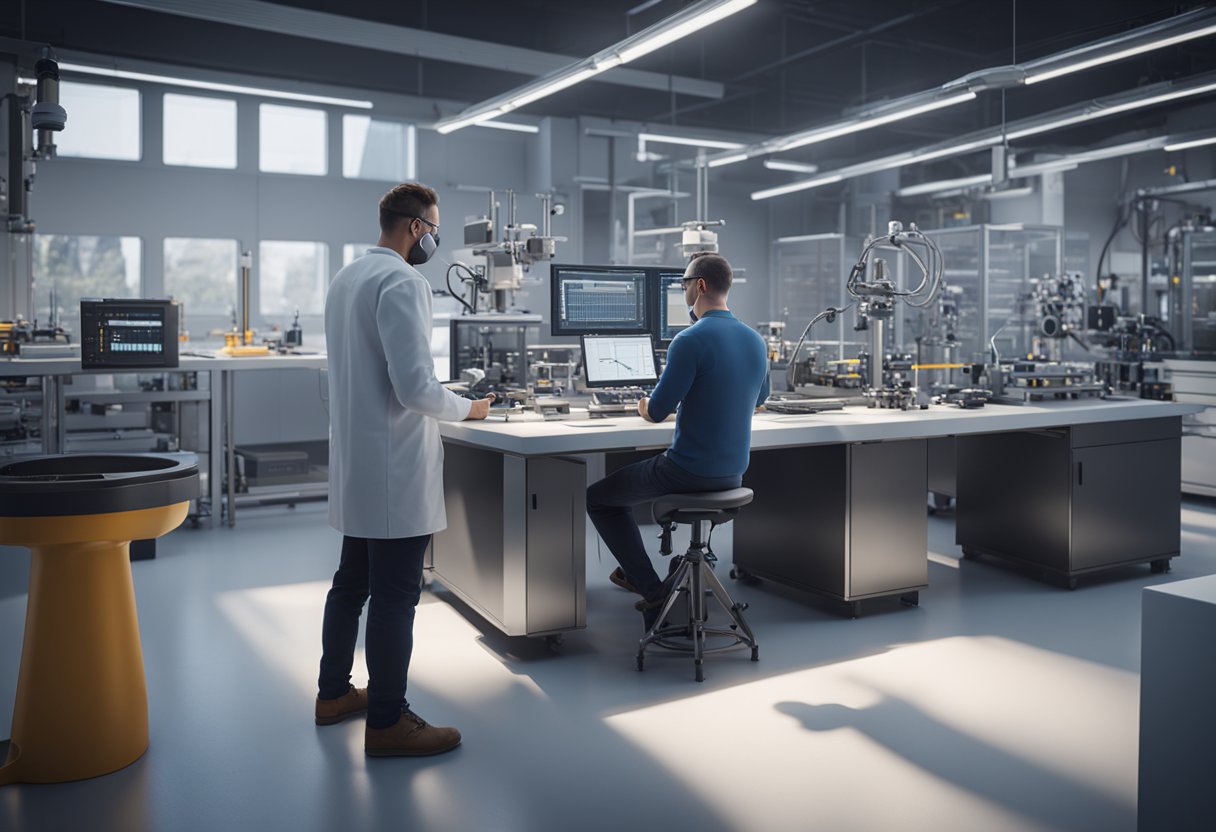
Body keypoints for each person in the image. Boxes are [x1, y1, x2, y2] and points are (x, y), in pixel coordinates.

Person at [315, 182, 494, 757]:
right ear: (417, 227)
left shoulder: (347, 278)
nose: (435, 239)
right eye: (435, 228)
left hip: (358, 463)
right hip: (393, 466)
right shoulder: (403, 280)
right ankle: (388, 721)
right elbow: (416, 388)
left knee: (350, 586)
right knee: (395, 598)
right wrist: (469, 406)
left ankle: (334, 694)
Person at [586, 252, 769, 630]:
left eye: (684, 283)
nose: (683, 289)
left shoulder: (689, 340)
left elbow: (656, 411)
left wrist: (641, 405)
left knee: (599, 498)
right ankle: (647, 582)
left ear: (700, 285)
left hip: (686, 470)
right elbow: (761, 398)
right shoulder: (755, 340)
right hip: (733, 474)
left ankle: (651, 589)